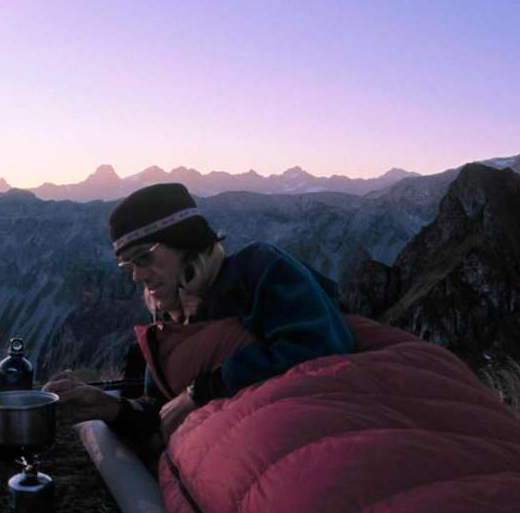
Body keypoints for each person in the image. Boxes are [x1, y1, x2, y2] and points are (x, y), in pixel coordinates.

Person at [43, 182, 353, 450]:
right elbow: (164, 415)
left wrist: (203, 390)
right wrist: (110, 407)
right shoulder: (168, 325)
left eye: (144, 258)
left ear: (184, 242)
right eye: (128, 267)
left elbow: (321, 345)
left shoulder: (257, 268)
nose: (136, 276)